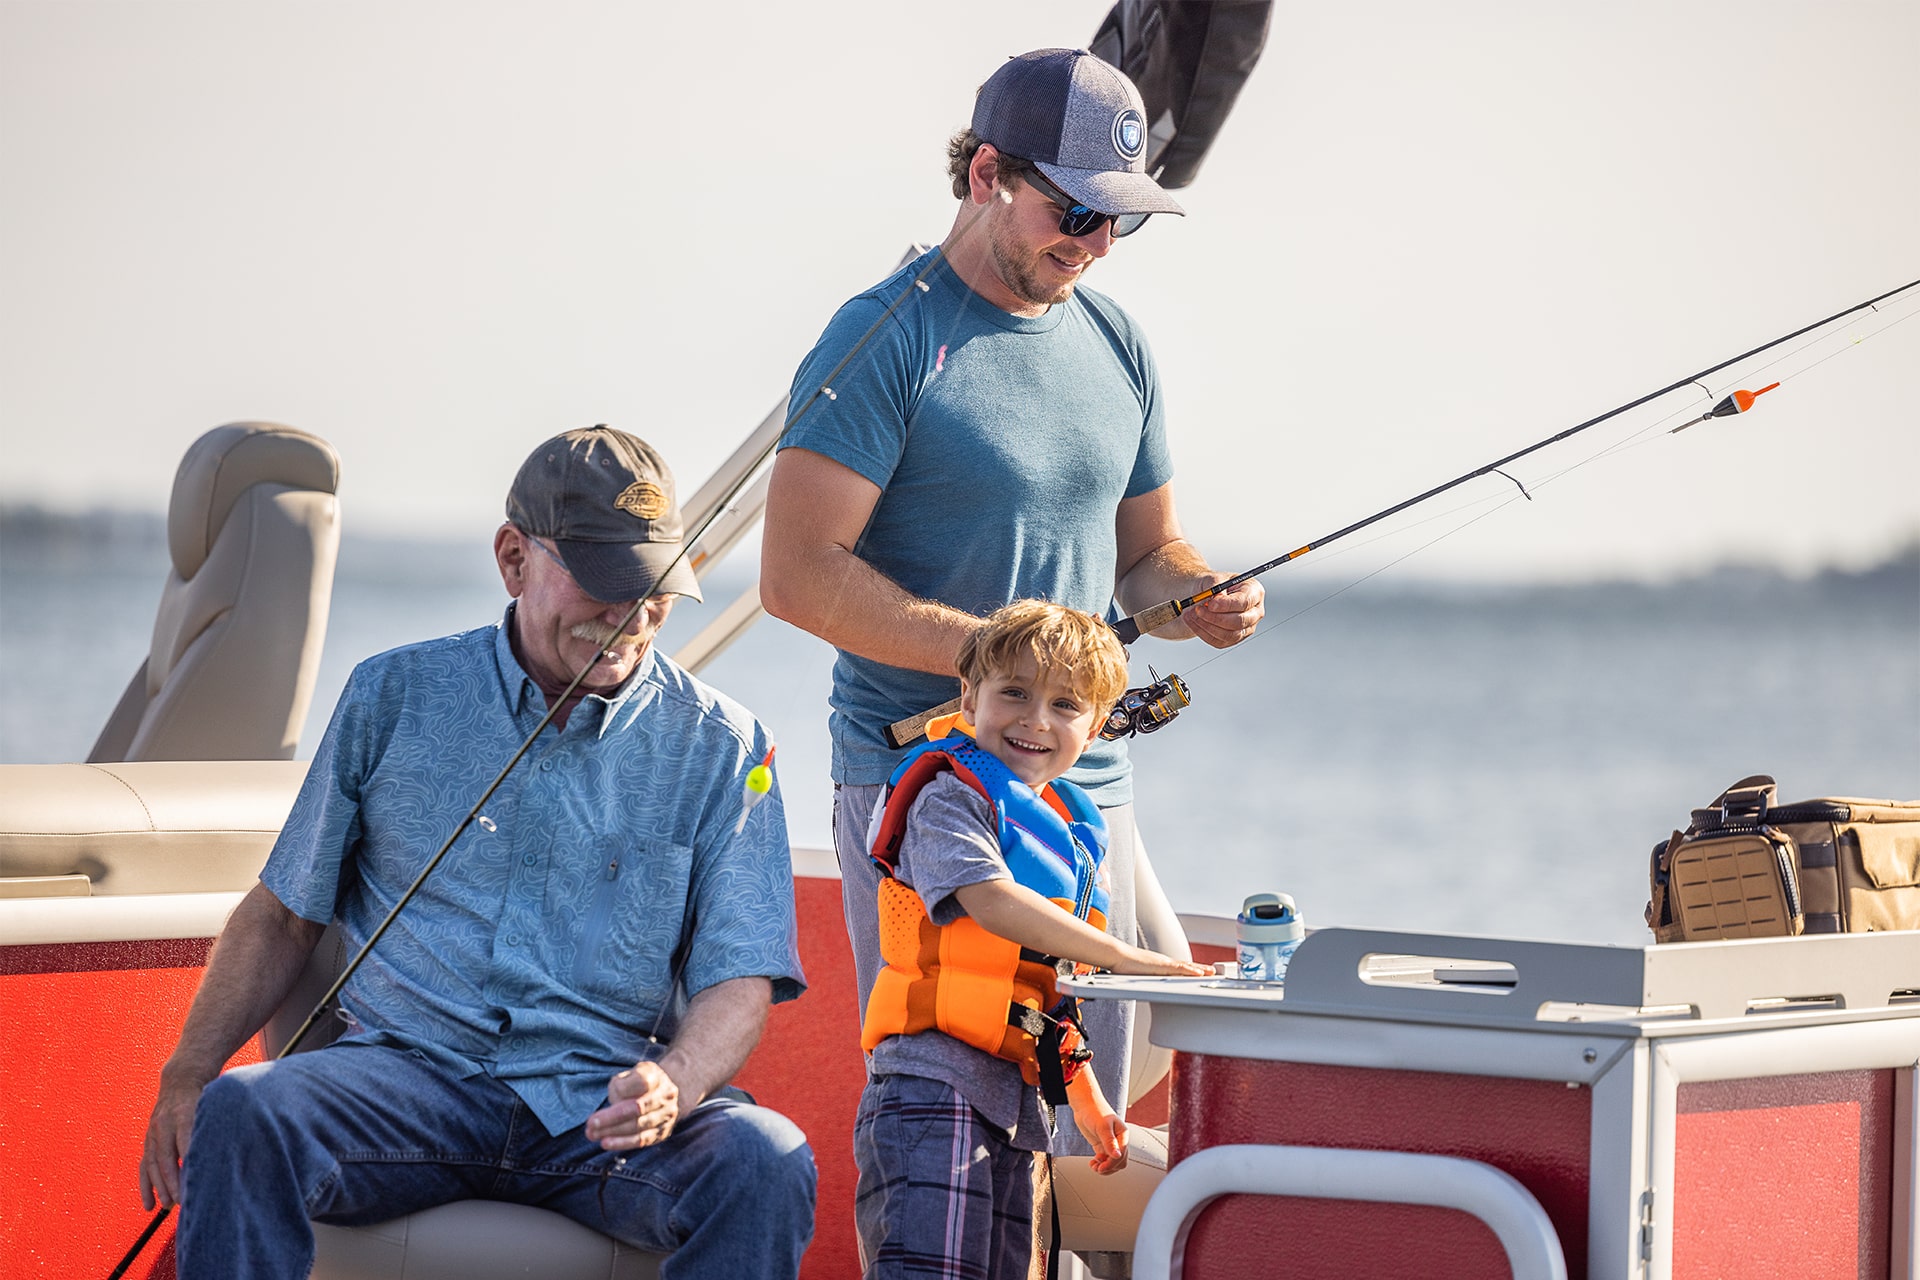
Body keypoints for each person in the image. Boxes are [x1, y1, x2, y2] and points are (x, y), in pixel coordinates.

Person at [138, 426, 816, 1279]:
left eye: (652, 591)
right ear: (512, 558)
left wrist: (676, 1081)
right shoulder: (391, 694)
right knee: (244, 1110)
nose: (630, 619)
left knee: (766, 1157)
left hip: (598, 1114)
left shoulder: (729, 749)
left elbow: (741, 980)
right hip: (404, 1088)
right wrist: (187, 1074)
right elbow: (281, 916)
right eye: (605, 585)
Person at [760, 47, 1266, 1147]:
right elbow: (796, 575)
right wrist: (996, 656)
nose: (1092, 244)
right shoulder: (884, 337)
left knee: (1116, 1077)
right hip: (930, 780)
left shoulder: (1117, 341)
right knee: (956, 1111)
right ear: (989, 173)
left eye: (1118, 220)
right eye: (1074, 210)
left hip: (1088, 783)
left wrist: (1201, 592)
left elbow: (1150, 554)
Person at [853, 601, 1209, 1276]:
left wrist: (1086, 1094)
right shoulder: (946, 796)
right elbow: (988, 900)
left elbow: (1041, 986)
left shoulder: (1071, 827)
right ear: (970, 695)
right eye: (1013, 692)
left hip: (1020, 1110)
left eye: (1065, 705)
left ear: (1098, 725)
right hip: (932, 1091)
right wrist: (1127, 957)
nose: (1035, 720)